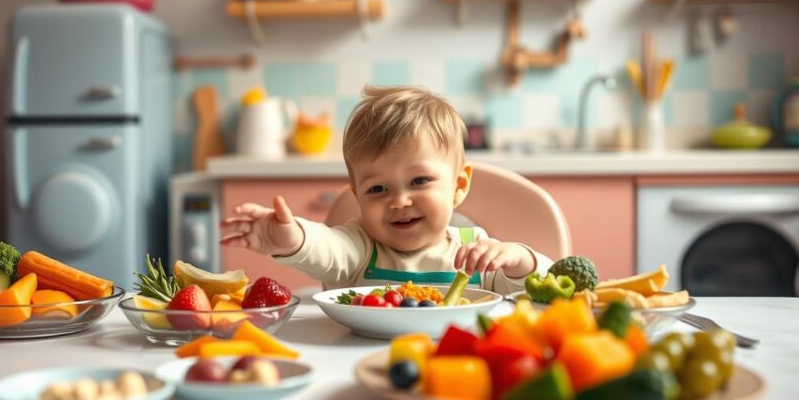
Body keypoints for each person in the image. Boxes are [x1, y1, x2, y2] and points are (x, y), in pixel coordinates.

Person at [219, 85, 551, 294]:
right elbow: (327, 247)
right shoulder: (360, 247)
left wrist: (518, 258)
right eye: (378, 188)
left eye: (419, 181)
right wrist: (293, 239)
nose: (399, 201)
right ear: (357, 195)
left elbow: (548, 287)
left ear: (458, 185)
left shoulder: (476, 251)